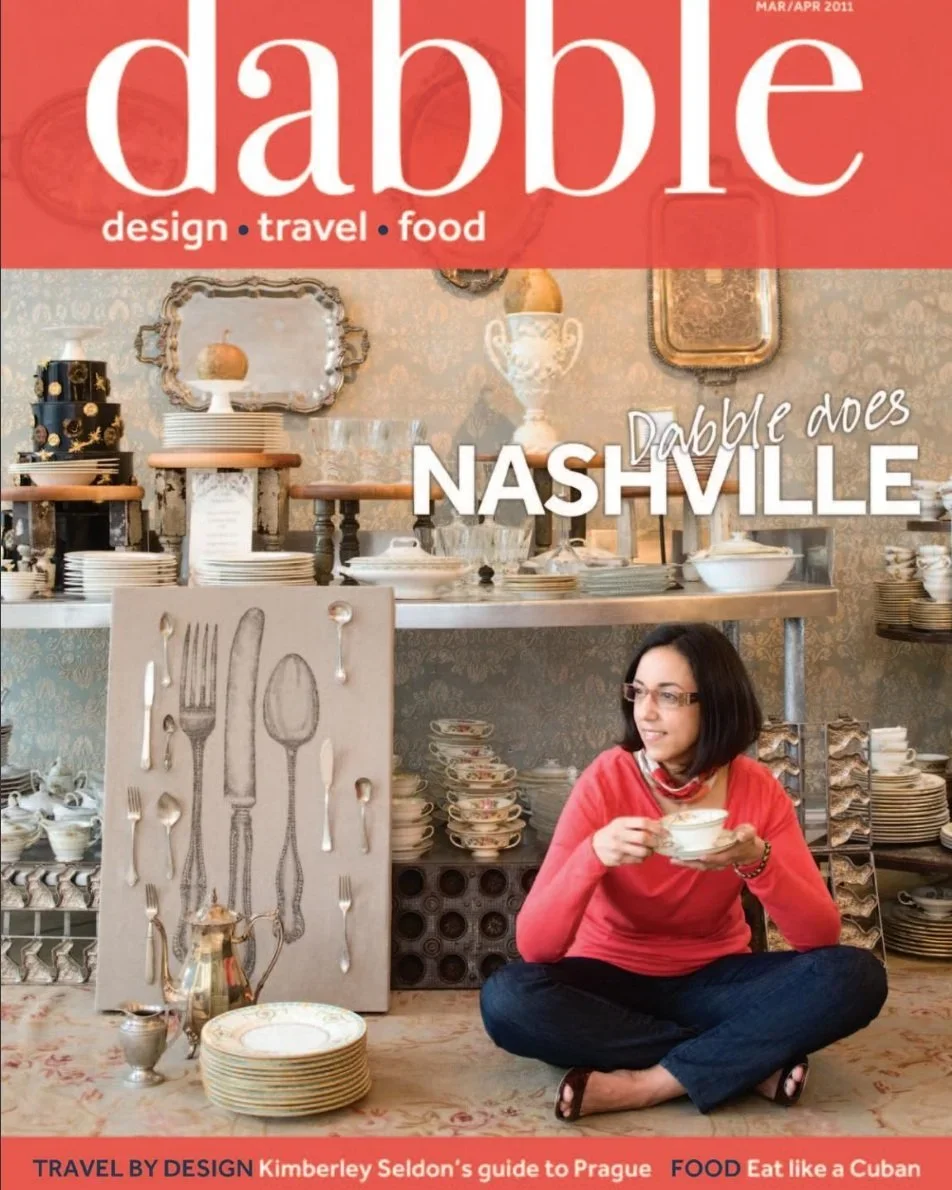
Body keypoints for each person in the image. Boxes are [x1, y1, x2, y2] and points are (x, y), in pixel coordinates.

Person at [480, 623, 887, 1119]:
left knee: (856, 976)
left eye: (668, 696)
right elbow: (537, 946)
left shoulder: (757, 788)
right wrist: (593, 854)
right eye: (639, 692)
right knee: (508, 1000)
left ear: (715, 705)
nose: (646, 712)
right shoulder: (605, 779)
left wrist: (755, 859)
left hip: (715, 982)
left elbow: (820, 936)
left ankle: (649, 1083)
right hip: (608, 984)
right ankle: (742, 1059)